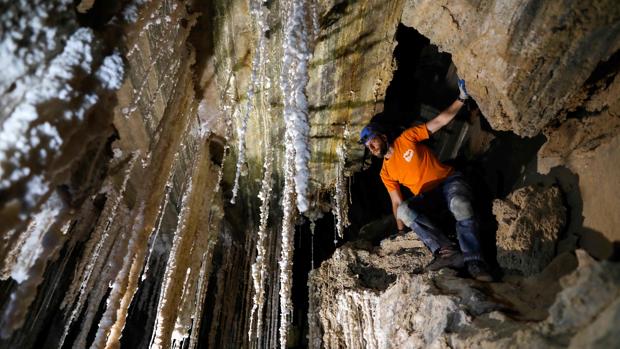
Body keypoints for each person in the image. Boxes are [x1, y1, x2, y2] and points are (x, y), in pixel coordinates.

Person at [359, 80, 492, 281]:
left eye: (373, 141)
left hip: (448, 181)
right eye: (368, 146)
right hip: (428, 197)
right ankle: (447, 253)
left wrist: (461, 99)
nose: (372, 147)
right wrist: (401, 230)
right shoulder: (385, 172)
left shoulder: (407, 138)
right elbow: (396, 201)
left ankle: (475, 261)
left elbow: (439, 122)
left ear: (383, 137)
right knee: (404, 210)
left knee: (461, 204)